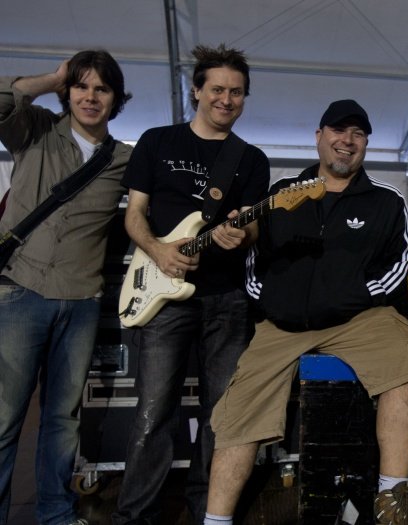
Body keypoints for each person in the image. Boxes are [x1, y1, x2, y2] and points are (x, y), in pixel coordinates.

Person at [203, 99, 408, 525]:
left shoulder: (387, 201)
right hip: (282, 324)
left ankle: (391, 501)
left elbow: (404, 261)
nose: (347, 141)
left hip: (360, 319)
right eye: (338, 131)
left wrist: (358, 295)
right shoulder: (280, 192)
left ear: (366, 144)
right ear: (319, 137)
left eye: (358, 134)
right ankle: (214, 521)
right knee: (239, 414)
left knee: (405, 361)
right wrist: (271, 299)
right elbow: (254, 255)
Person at [112, 45, 270, 525]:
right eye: (217, 89)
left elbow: (252, 225)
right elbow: (135, 215)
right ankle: (136, 515)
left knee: (221, 415)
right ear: (197, 91)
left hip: (227, 299)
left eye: (236, 92)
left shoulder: (251, 158)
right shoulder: (157, 141)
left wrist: (240, 233)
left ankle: (209, 511)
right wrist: (159, 250)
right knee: (152, 413)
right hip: (162, 292)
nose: (226, 99)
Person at [0, 51, 132, 525]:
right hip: (20, 290)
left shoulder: (125, 159)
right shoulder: (34, 129)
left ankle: (55, 513)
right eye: (81, 86)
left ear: (115, 98)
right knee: (3, 419)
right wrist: (53, 77)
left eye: (102, 88)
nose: (90, 97)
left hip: (81, 302)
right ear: (67, 92)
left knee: (63, 420)